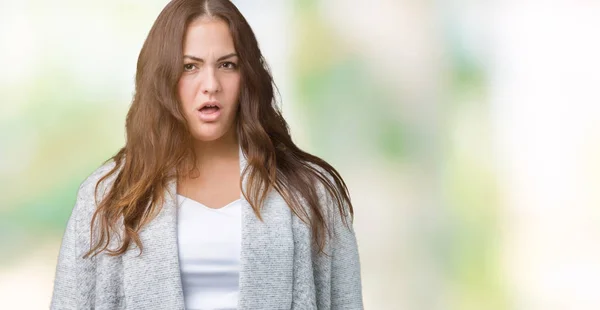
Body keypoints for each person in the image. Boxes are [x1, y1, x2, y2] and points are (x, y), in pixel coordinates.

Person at [50, 0, 363, 309]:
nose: (210, 85)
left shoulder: (310, 194)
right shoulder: (106, 197)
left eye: (227, 65)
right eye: (190, 67)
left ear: (248, 76)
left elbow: (345, 302)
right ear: (161, 78)